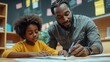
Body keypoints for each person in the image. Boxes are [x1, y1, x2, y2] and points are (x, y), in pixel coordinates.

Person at [2, 14, 67, 58]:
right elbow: (5, 54)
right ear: (24, 35)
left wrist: (61, 52)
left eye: (36, 31)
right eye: (30, 33)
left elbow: (53, 52)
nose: (35, 35)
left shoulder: (41, 44)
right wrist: (32, 54)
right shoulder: (21, 45)